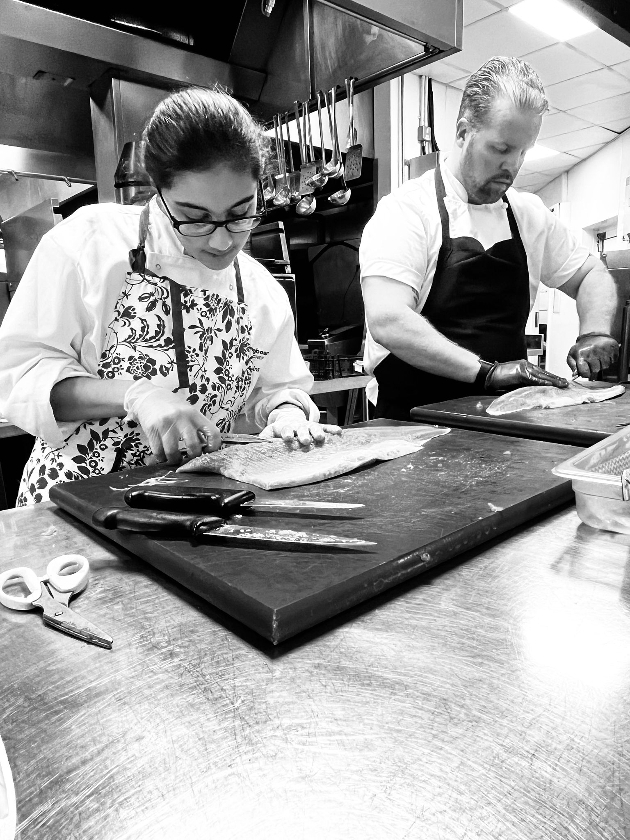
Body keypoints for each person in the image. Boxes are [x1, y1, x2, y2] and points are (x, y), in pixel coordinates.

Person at [0, 86, 339, 505]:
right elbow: (21, 376)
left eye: (240, 214)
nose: (220, 241)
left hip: (198, 502)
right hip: (75, 502)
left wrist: (285, 412)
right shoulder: (88, 243)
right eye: (194, 218)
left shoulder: (260, 289)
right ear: (158, 191)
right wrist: (136, 394)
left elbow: (275, 387)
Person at [360, 56, 619, 420]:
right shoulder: (405, 212)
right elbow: (388, 319)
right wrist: (488, 372)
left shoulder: (529, 215)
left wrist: (593, 332)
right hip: (410, 421)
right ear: (464, 132)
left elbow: (592, 272)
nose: (512, 166)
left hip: (504, 422)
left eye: (522, 152)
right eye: (501, 149)